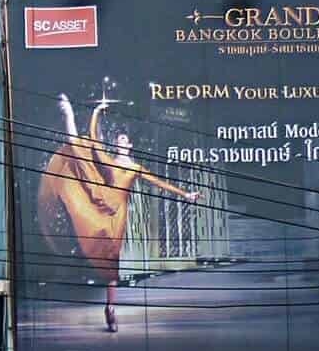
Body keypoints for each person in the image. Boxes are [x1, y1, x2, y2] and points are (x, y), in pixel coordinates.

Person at [36, 92, 203, 334]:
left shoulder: (136, 167)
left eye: (124, 138)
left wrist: (185, 194)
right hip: (98, 201)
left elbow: (158, 183)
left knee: (112, 265)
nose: (120, 140)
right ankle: (68, 113)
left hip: (117, 215)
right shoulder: (110, 160)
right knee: (80, 152)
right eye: (119, 138)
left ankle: (110, 308)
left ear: (130, 144)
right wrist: (96, 112)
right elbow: (93, 138)